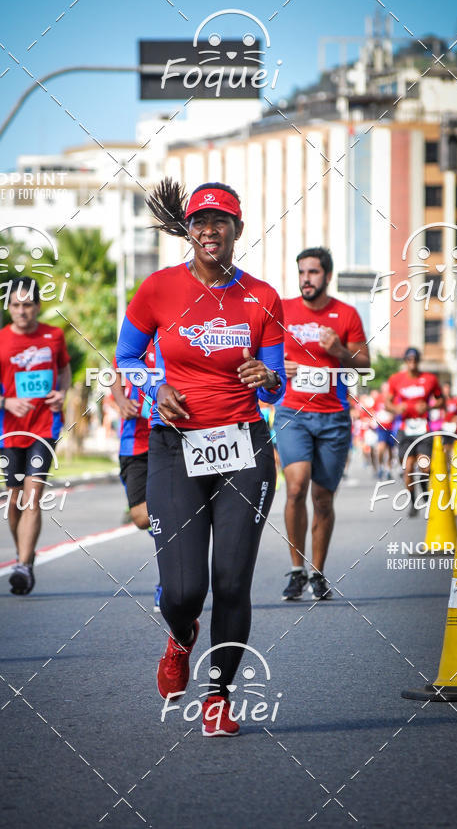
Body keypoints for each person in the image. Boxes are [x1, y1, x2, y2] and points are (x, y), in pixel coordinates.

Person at [116, 178, 285, 737]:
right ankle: (181, 634)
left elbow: (275, 383)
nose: (209, 229)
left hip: (243, 446)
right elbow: (127, 358)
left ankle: (217, 694)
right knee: (186, 590)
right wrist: (151, 390)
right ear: (187, 230)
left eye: (221, 221)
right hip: (174, 446)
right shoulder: (158, 289)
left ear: (238, 230)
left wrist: (268, 378)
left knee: (232, 582)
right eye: (199, 221)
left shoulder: (262, 297)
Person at [274, 247, 370, 602]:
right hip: (292, 412)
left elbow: (363, 362)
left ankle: (317, 573)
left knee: (323, 498)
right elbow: (262, 352)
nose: (305, 280)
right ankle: (296, 571)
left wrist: (339, 351)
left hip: (333, 417)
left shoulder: (346, 314)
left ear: (326, 276)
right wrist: (278, 366)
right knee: (296, 487)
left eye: (312, 273)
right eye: (301, 273)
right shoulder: (282, 309)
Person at [0, 277, 71, 594]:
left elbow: (64, 371)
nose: (22, 311)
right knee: (15, 500)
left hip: (45, 427)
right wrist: (7, 402)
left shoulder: (54, 336)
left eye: (28, 305)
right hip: (11, 431)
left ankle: (22, 566)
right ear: (9, 307)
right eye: (16, 305)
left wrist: (61, 392)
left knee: (33, 496)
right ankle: (25, 556)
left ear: (37, 306)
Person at [109, 344, 162, 611]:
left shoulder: (177, 333)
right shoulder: (135, 337)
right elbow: (113, 373)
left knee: (168, 511)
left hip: (169, 438)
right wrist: (120, 401)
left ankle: (169, 581)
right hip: (135, 443)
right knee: (142, 517)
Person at [385, 348, 443, 517]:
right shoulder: (396, 379)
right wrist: (396, 408)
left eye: (415, 359)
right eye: (409, 359)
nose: (412, 362)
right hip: (405, 428)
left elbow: (441, 400)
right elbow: (388, 403)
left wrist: (429, 406)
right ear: (405, 361)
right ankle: (413, 502)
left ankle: (424, 488)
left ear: (418, 360)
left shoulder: (430, 379)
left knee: (425, 466)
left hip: (423, 428)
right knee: (408, 468)